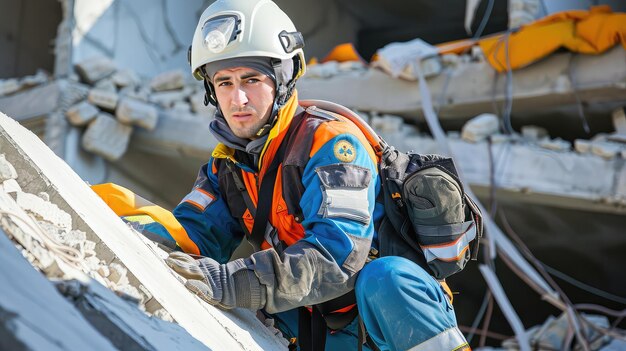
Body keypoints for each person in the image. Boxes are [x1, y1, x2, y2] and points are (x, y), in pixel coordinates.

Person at [164, 0, 470, 350]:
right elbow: (191, 233)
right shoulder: (228, 165)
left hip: (378, 324)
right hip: (315, 323)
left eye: (251, 79)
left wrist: (234, 283)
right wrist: (131, 220)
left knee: (386, 279)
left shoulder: (332, 145)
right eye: (224, 83)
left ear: (283, 78)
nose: (238, 99)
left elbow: (336, 257)